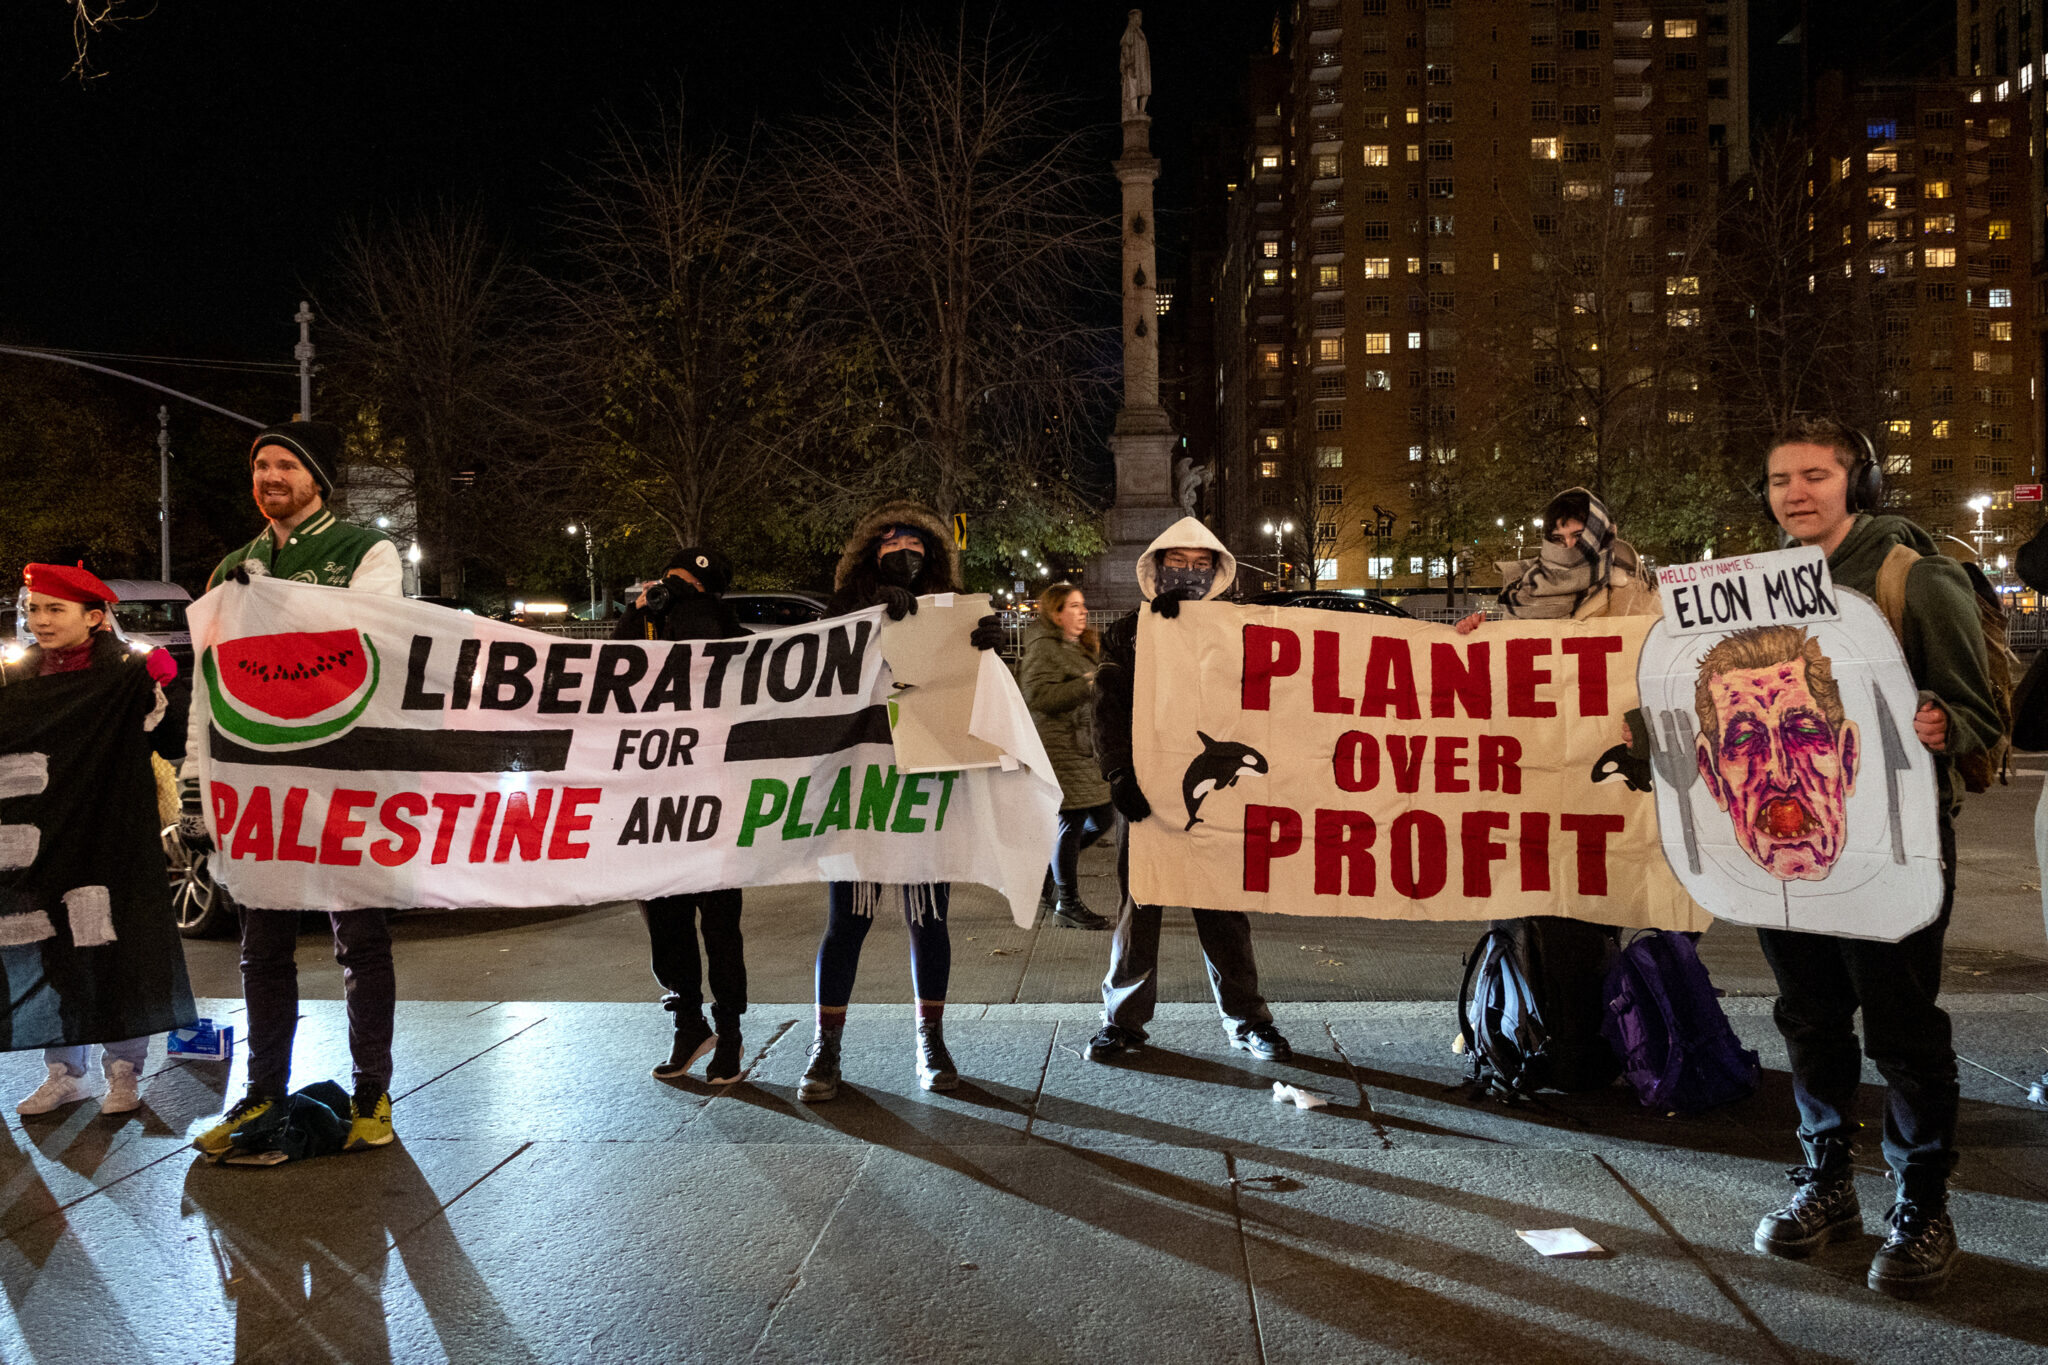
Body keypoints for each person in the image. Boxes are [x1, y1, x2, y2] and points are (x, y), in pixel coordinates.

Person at [1748, 417, 2000, 1300]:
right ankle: (1827, 1184)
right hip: (1784, 848)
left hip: (1895, 842)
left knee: (1901, 1029)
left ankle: (1922, 1201)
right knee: (1810, 1017)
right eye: (1781, 479)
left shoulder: (1915, 576)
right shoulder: (1759, 586)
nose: (1796, 493)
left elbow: (1982, 717)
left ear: (1860, 482)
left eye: (1816, 474)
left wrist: (1945, 722)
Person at [190, 421, 404, 1157]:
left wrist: (273, 601)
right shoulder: (230, 567)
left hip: (343, 772)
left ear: (318, 479)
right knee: (262, 948)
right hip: (258, 780)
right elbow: (206, 684)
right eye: (260, 465)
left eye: (286, 463)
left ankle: (371, 1092)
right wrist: (198, 779)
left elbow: (374, 636)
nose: (270, 475)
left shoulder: (362, 551)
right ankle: (261, 1093)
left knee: (360, 939)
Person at [798, 500, 1005, 1101]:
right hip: (862, 786)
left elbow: (981, 693)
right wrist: (865, 619)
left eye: (915, 542)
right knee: (848, 921)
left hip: (925, 783)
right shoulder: (841, 610)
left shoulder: (952, 613)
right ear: (871, 552)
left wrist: (987, 648)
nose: (904, 549)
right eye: (890, 541)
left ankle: (931, 1039)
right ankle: (825, 1047)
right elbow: (816, 673)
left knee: (928, 918)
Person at [1085, 517, 1292, 1064]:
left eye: (1202, 565)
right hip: (1147, 794)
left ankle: (1248, 1019)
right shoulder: (1129, 632)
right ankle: (1122, 1021)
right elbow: (1108, 708)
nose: (1190, 574)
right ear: (1156, 570)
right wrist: (1117, 774)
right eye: (1177, 563)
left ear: (1219, 573)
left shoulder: (1236, 627)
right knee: (1140, 904)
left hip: (1218, 798)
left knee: (1222, 906)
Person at [8, 564, 187, 1116]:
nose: (40, 621)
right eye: (34, 609)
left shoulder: (127, 671)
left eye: (53, 609)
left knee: (115, 952)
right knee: (52, 950)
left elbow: (173, 739)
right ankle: (65, 1073)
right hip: (44, 840)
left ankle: (124, 1073)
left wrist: (166, 686)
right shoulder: (18, 678)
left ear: (93, 617)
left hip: (112, 836)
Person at [614, 547, 751, 1084]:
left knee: (720, 927)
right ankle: (688, 1023)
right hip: (653, 801)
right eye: (668, 578)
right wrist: (639, 613)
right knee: (665, 922)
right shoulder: (642, 625)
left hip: (713, 800)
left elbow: (729, 660)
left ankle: (731, 1033)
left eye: (686, 583)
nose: (672, 588)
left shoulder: (719, 624)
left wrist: (688, 610)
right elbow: (609, 682)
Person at [1019, 583, 1114, 931]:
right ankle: (1068, 903)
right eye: (1074, 606)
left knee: (1103, 817)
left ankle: (1050, 869)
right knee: (1071, 823)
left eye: (1083, 605)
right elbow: (1037, 695)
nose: (1083, 611)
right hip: (1060, 747)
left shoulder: (1079, 644)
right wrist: (1087, 684)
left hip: (1084, 749)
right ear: (1056, 613)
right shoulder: (1045, 649)